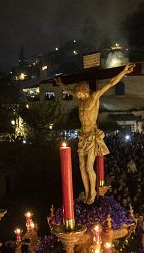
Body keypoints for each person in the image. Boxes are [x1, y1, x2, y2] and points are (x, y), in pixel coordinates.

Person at [54, 63, 135, 205]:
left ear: (84, 90)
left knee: (88, 167)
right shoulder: (80, 99)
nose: (77, 95)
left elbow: (110, 83)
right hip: (82, 136)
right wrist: (61, 83)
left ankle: (92, 192)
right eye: (77, 94)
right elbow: (68, 90)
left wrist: (123, 72)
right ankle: (86, 192)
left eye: (79, 93)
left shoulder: (94, 97)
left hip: (91, 136)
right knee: (80, 167)